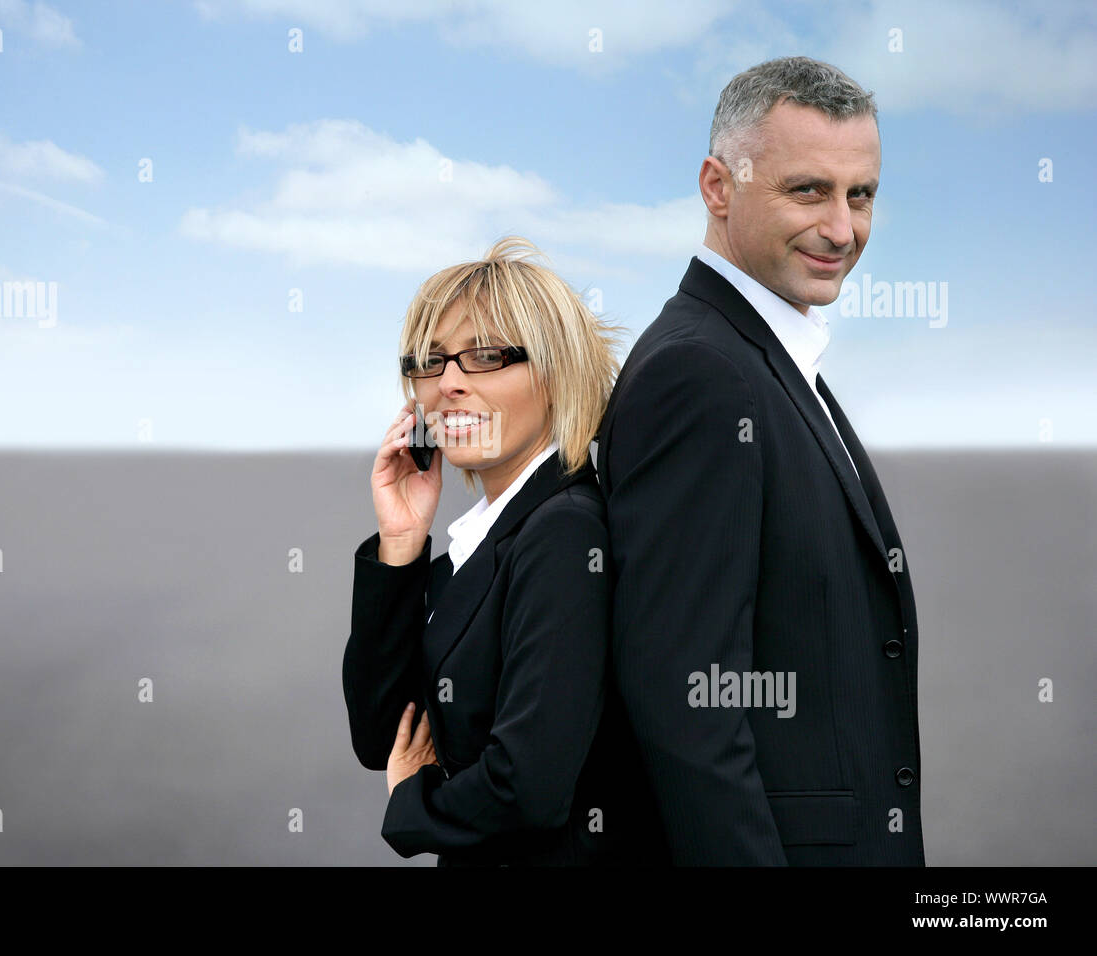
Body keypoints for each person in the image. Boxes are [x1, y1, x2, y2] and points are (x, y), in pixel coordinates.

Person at [596, 56, 924, 865]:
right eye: (808, 190)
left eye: (863, 195)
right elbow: (687, 705)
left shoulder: (762, 356)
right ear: (718, 187)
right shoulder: (699, 374)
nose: (843, 229)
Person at [342, 236, 654, 865]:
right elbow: (384, 736)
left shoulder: (565, 532)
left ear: (556, 371)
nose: (449, 383)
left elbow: (528, 787)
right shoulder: (488, 539)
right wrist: (401, 543)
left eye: (485, 355)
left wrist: (412, 807)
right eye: (431, 362)